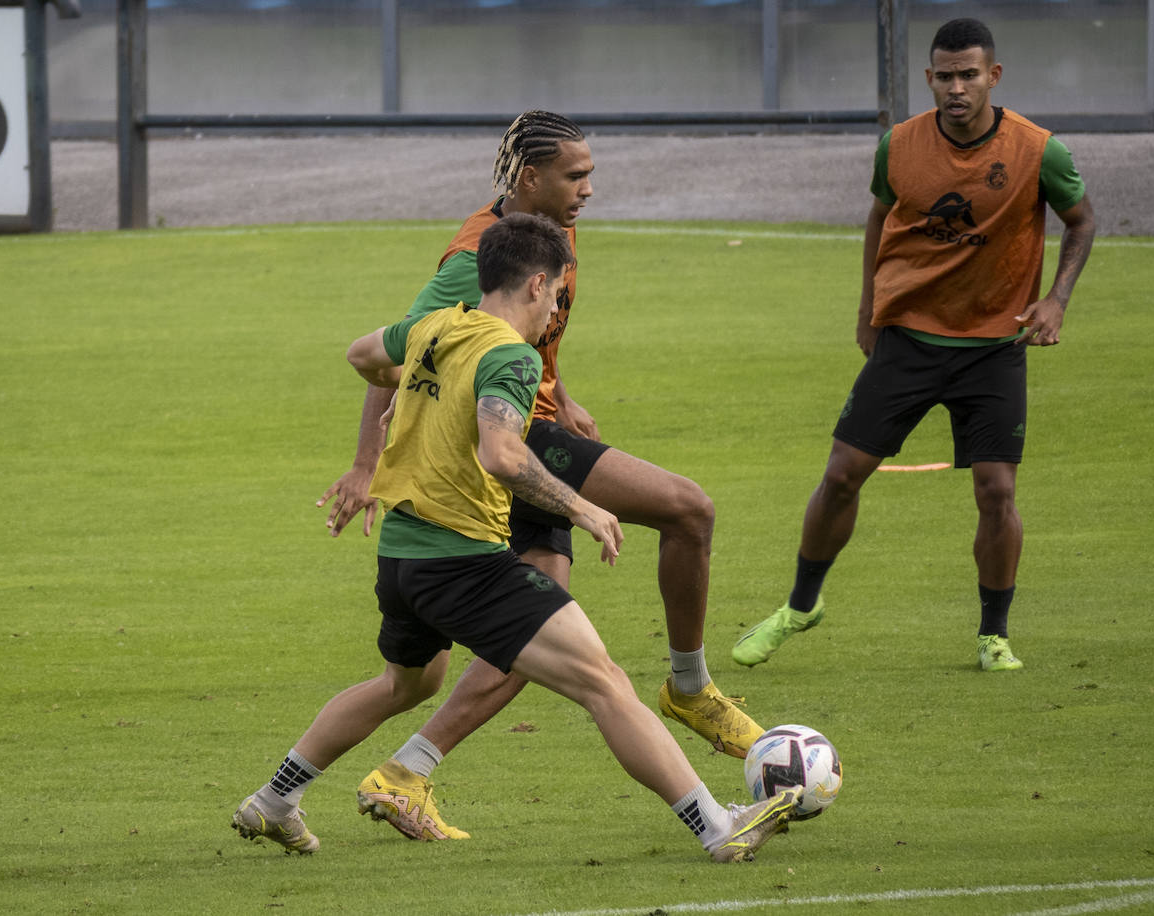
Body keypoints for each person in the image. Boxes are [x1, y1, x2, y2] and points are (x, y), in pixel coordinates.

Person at [231, 212, 798, 861]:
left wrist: (411, 392)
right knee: (604, 681)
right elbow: (502, 453)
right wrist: (581, 508)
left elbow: (363, 355)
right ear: (534, 284)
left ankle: (275, 799)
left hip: (401, 559)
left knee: (406, 685)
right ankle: (718, 830)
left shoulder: (435, 328)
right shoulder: (511, 357)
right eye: (557, 294)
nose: (556, 309)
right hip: (464, 565)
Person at [317, 111, 763, 842]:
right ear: (531, 178)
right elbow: (405, 350)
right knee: (687, 510)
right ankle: (690, 691)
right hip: (511, 444)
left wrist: (560, 385)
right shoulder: (470, 260)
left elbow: (529, 330)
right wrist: (368, 462)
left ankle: (404, 772)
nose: (589, 187)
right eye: (576, 175)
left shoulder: (550, 226)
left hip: (533, 419)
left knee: (539, 621)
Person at [732, 18, 1095, 673]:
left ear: (994, 77)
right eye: (945, 77)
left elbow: (1082, 221)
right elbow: (879, 216)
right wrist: (870, 307)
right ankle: (801, 605)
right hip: (909, 338)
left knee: (996, 491)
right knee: (842, 475)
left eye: (969, 75)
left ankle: (993, 635)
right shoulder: (897, 146)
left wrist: (1057, 298)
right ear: (929, 79)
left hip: (993, 344)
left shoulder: (1040, 151)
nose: (957, 88)